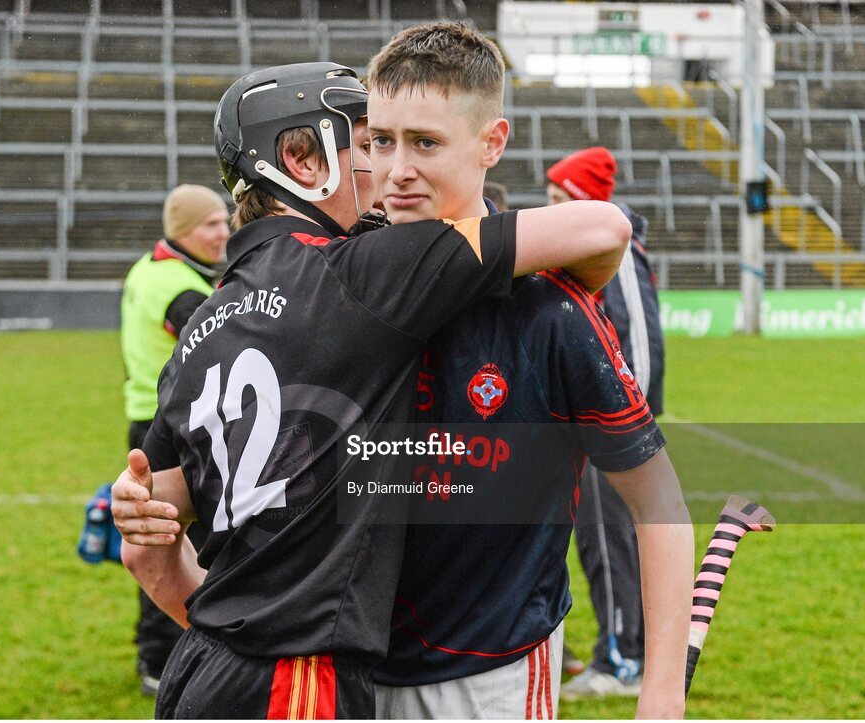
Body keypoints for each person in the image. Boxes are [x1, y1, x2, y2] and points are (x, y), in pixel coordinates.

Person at [110, 60, 630, 719]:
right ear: (301, 159)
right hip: (296, 687)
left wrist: (234, 630)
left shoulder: (203, 326)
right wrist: (275, 643)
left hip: (200, 671)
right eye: (365, 141)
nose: (384, 167)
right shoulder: (358, 271)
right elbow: (602, 227)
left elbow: (143, 545)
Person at [361, 23, 692, 719]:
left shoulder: (550, 313)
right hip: (339, 670)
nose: (396, 169)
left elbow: (658, 501)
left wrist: (661, 694)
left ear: (492, 142)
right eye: (378, 141)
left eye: (424, 142)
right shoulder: (337, 283)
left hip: (486, 678)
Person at [544, 147, 668, 701]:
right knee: (601, 542)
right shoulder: (588, 250)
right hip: (589, 430)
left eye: (557, 199)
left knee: (606, 543)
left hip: (607, 434)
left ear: (584, 200)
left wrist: (620, 426)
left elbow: (641, 344)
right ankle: (625, 650)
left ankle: (621, 658)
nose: (548, 211)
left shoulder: (616, 251)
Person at [119, 183, 231, 695]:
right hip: (170, 428)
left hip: (143, 417)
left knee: (157, 537)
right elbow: (213, 349)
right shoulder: (182, 288)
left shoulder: (148, 267)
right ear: (183, 230)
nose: (223, 231)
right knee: (173, 541)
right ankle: (165, 657)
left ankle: (155, 654)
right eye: (210, 224)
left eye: (224, 221)